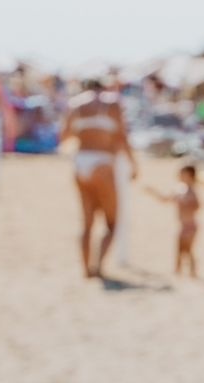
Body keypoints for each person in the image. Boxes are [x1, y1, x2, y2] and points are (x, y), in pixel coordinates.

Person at [63, 79, 136, 279]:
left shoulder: (75, 104)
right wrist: (133, 163)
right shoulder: (111, 103)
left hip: (80, 162)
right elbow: (122, 136)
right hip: (102, 162)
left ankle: (86, 269)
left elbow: (64, 136)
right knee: (112, 222)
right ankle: (99, 266)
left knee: (86, 223)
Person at [145, 163, 200, 278]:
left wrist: (186, 202)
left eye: (182, 173)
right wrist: (152, 192)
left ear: (190, 175)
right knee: (179, 249)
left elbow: (197, 206)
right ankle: (177, 271)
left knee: (188, 250)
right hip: (182, 225)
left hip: (191, 225)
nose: (179, 175)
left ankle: (192, 272)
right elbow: (164, 199)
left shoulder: (191, 191)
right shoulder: (179, 189)